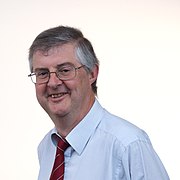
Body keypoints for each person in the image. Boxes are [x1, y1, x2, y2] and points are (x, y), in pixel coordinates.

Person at [28, 26, 170, 180]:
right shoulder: (46, 148)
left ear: (92, 73)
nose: (53, 83)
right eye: (42, 73)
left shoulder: (128, 144)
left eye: (65, 70)